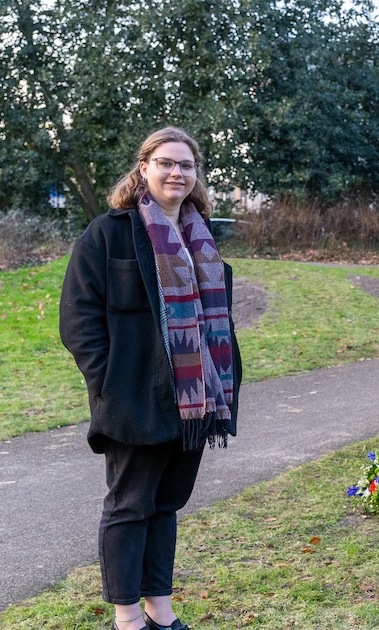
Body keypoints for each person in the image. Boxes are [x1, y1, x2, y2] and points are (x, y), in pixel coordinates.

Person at [60, 127, 242, 630]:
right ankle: (126, 619)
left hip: (196, 401)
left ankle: (160, 611)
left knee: (166, 504)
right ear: (144, 167)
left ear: (195, 175)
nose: (176, 173)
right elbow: (78, 319)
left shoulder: (201, 237)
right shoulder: (109, 232)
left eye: (186, 165)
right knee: (129, 506)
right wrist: (110, 382)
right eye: (166, 162)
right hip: (134, 398)